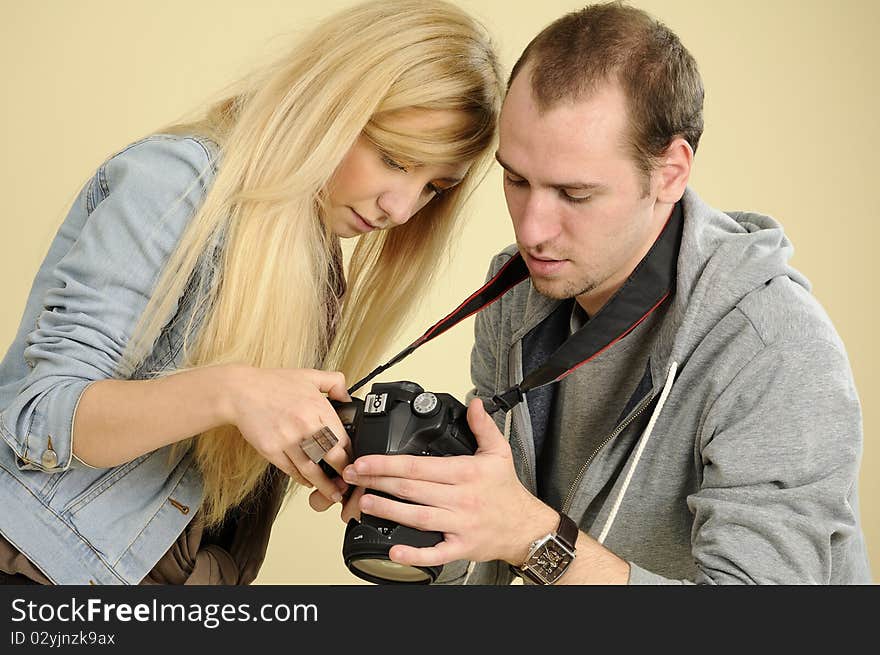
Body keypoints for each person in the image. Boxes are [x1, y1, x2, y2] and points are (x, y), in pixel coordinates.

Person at [336, 2, 872, 584]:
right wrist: (427, 515)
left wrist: (534, 537)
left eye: (574, 193)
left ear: (670, 173)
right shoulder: (516, 300)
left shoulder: (774, 350)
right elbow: (499, 550)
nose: (532, 230)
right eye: (516, 180)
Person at [0, 0, 503, 585]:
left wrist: (332, 451)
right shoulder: (181, 184)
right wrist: (234, 393)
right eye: (394, 159)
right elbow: (40, 418)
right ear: (328, 103)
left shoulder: (314, 260)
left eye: (432, 187)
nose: (400, 208)